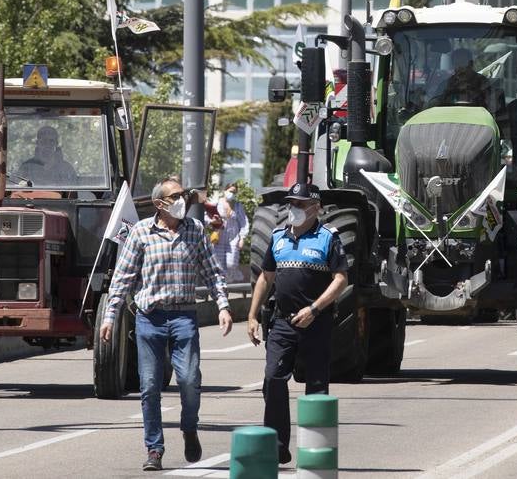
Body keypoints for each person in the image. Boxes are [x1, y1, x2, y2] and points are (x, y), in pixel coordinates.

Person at [101, 178, 234, 471]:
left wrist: (223, 305)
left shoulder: (195, 230)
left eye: (183, 195)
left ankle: (189, 427)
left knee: (188, 380)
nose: (182, 200)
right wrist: (110, 316)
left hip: (184, 317)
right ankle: (154, 449)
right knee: (149, 386)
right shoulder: (141, 233)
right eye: (175, 196)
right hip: (150, 318)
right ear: (160, 204)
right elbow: (123, 278)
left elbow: (212, 272)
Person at [247, 181, 348, 466]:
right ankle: (278, 444)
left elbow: (340, 279)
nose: (295, 208)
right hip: (282, 322)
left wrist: (315, 309)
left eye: (301, 204)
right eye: (292, 203)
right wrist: (252, 315)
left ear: (316, 207)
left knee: (316, 386)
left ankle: (316, 452)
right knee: (272, 379)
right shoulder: (278, 237)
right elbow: (266, 277)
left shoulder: (328, 237)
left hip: (316, 321)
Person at [212, 180, 250, 284]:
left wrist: (242, 238)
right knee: (219, 264)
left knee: (231, 263)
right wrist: (212, 221)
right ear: (225, 191)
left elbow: (244, 222)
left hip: (233, 238)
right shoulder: (217, 203)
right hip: (219, 237)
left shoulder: (237, 206)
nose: (231, 194)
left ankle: (232, 279)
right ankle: (223, 286)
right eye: (230, 191)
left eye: (234, 192)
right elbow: (208, 217)